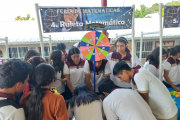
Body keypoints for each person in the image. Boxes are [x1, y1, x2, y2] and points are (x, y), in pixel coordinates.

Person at [113, 61, 178, 120]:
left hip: (166, 114)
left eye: (120, 77)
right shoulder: (138, 71)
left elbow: (144, 100)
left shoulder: (138, 76)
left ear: (124, 71)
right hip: (166, 111)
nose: (121, 80)